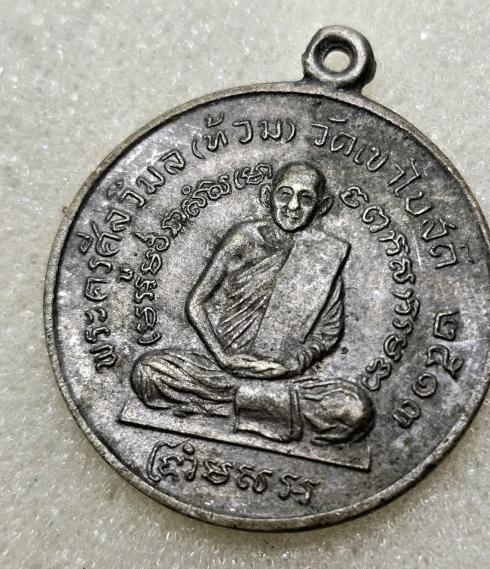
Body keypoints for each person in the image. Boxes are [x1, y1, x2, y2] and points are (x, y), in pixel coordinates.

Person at [131, 162, 374, 445]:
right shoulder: (244, 238)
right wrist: (223, 357)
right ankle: (265, 408)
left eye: (306, 198)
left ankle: (231, 405)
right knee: (148, 373)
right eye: (284, 194)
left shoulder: (326, 257)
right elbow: (196, 303)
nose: (293, 206)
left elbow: (328, 333)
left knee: (355, 410)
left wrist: (292, 365)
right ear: (267, 196)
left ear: (322, 206)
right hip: (221, 368)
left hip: (284, 377)